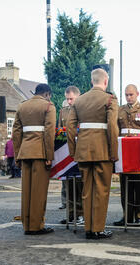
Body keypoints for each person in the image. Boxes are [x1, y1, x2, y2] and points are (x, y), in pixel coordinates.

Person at [67, 68, 119, 240]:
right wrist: (114, 153)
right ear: (106, 82)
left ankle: (89, 228)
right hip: (103, 150)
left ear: (92, 81)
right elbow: (112, 127)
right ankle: (98, 228)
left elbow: (70, 127)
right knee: (102, 190)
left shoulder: (79, 101)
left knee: (87, 190)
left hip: (83, 150)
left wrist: (73, 151)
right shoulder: (110, 99)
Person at [12, 83, 56, 235]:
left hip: (25, 152)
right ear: (47, 94)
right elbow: (49, 133)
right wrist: (49, 155)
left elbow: (16, 133)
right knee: (38, 191)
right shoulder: (48, 106)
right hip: (40, 153)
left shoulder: (22, 106)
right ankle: (36, 226)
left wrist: (17, 155)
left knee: (27, 191)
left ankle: (27, 225)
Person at [114, 84, 140, 227]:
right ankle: (127, 215)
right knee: (125, 185)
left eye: (131, 95)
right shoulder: (120, 110)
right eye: (126, 95)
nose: (128, 97)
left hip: (139, 152)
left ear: (137, 94)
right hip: (124, 152)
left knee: (139, 184)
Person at [59, 86, 84, 226]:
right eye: (67, 98)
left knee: (79, 185)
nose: (68, 101)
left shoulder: (83, 109)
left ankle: (80, 214)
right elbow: (59, 132)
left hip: (80, 150)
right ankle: (71, 214)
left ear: (78, 97)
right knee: (68, 185)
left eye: (71, 99)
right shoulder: (63, 111)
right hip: (66, 152)